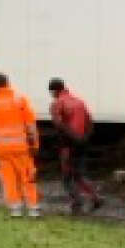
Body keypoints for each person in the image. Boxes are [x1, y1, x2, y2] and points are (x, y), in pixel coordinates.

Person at [0, 73, 41, 217]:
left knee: (9, 179)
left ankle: (16, 208)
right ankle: (33, 208)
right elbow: (31, 126)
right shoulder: (20, 100)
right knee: (27, 176)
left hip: (0, 150)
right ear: (8, 82)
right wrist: (35, 145)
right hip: (21, 148)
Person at [48, 77, 103, 214]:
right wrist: (84, 138)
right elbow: (90, 122)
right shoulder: (79, 102)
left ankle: (76, 204)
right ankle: (95, 198)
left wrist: (74, 138)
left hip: (68, 145)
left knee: (67, 176)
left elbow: (59, 124)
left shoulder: (57, 104)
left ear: (54, 90)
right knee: (79, 174)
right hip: (83, 143)